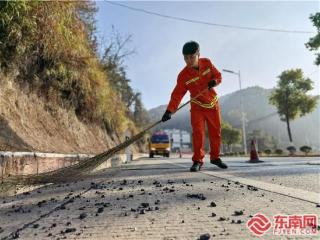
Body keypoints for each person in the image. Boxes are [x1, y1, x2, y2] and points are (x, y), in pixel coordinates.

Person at [161, 41, 228, 172]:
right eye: (185, 58)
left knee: (216, 132)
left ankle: (215, 157)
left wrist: (215, 81)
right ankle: (197, 160)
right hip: (197, 107)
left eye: (191, 57)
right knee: (198, 133)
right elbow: (177, 94)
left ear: (198, 54)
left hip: (212, 104)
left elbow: (218, 76)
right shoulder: (183, 76)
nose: (188, 61)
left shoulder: (207, 63)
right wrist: (169, 110)